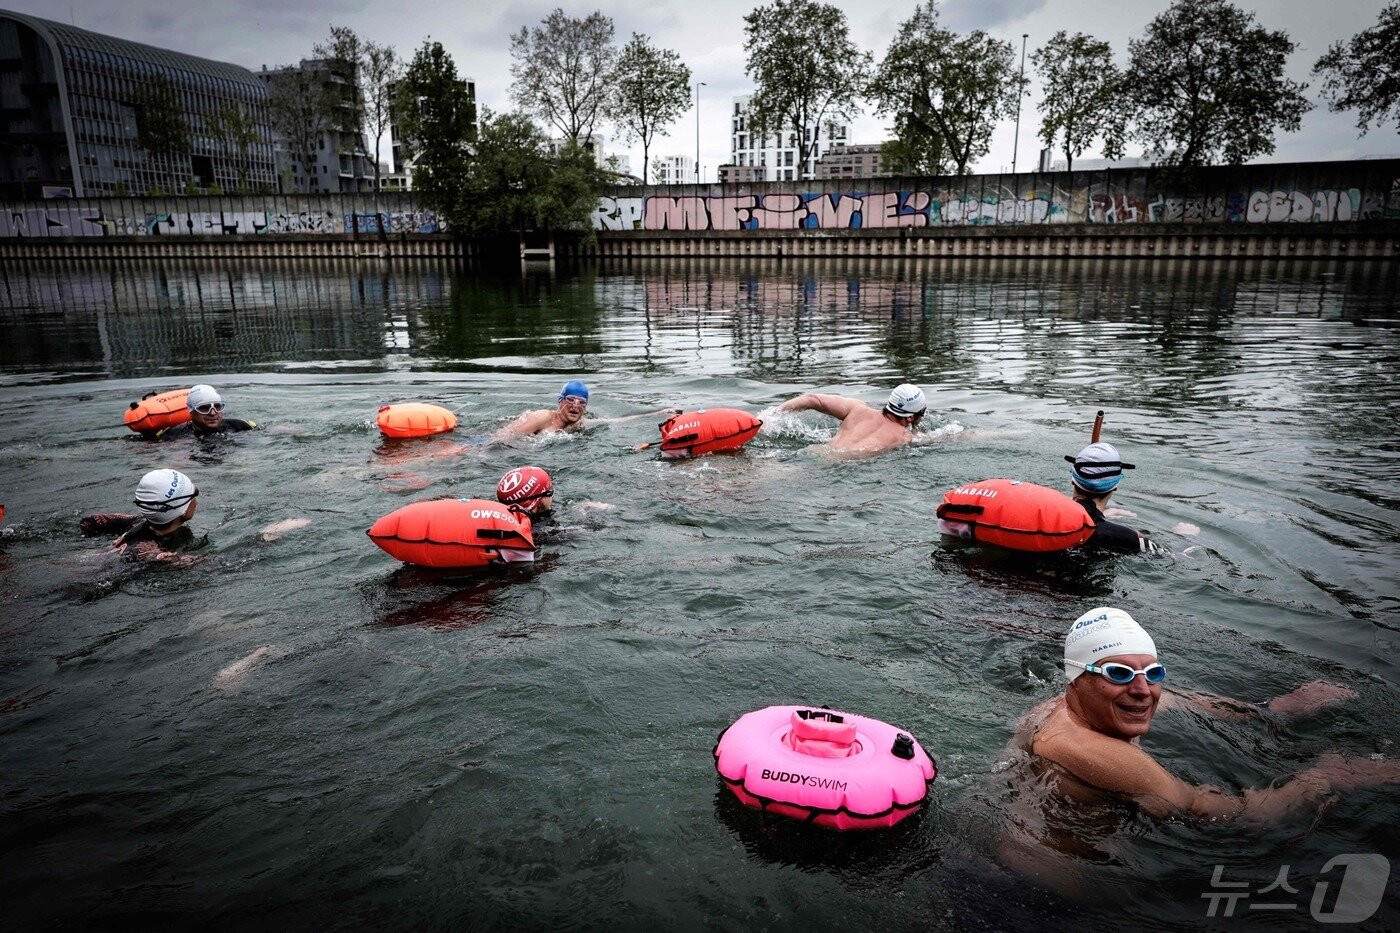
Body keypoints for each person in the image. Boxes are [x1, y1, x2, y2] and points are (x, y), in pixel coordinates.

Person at [1014, 607, 1399, 824]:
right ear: (1077, 679)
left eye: (1154, 673)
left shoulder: (1054, 708)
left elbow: (1180, 700)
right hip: (1048, 903)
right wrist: (1327, 776)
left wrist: (1272, 710)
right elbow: (1239, 818)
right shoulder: (1105, 757)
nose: (1143, 690)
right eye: (1119, 674)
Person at [80, 468, 202, 562]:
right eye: (194, 492)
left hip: (88, 558)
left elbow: (88, 522)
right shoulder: (157, 556)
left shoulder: (136, 520)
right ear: (183, 510)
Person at [777, 384, 926, 455]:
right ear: (910, 417)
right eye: (922, 411)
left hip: (814, 452)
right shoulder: (905, 437)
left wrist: (771, 416)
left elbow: (811, 399)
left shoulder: (857, 408)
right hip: (841, 466)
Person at [494, 380, 679, 438]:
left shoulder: (580, 425)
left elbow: (617, 421)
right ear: (560, 401)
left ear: (585, 408)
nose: (575, 405)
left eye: (581, 402)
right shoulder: (542, 417)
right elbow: (505, 436)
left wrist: (659, 413)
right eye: (571, 400)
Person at [1065, 442, 1158, 553]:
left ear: (1073, 480)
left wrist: (1102, 516)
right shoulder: (1128, 537)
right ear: (1115, 487)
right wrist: (1183, 535)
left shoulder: (1051, 516)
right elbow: (1176, 558)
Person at [151, 384, 256, 440]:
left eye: (217, 407)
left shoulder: (241, 426)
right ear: (191, 410)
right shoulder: (173, 435)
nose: (213, 413)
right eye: (204, 408)